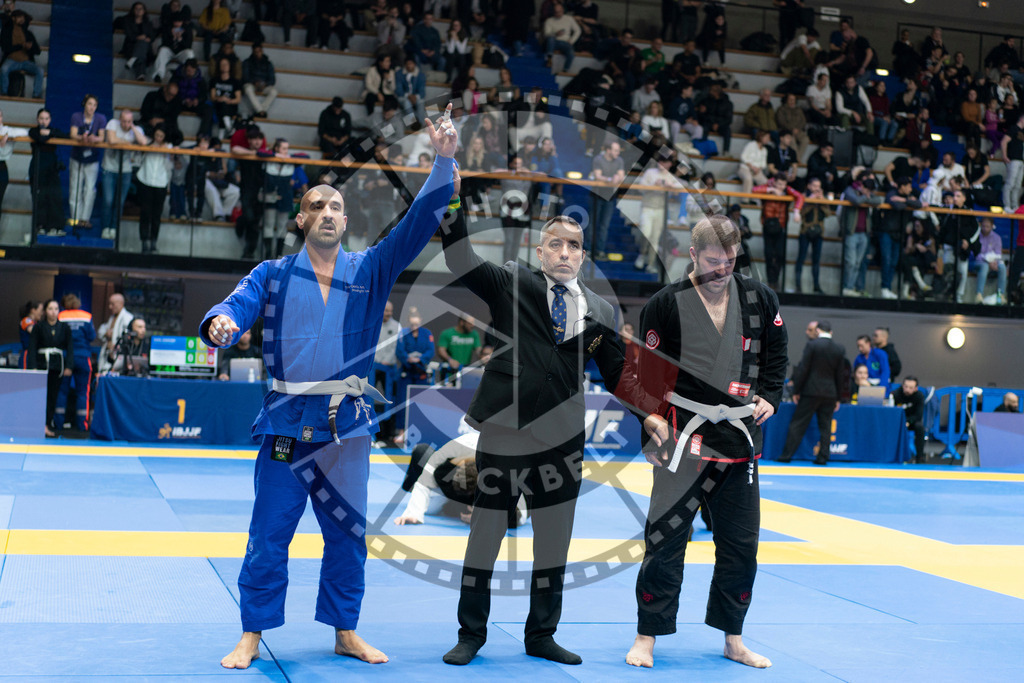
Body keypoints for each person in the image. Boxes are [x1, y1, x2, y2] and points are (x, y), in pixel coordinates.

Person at [203, 105, 457, 670]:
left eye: (335, 205)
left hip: (347, 429)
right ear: (300, 220)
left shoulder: (370, 270)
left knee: (347, 540)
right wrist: (223, 323)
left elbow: (418, 223)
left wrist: (444, 161)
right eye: (315, 205)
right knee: (269, 534)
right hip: (288, 423)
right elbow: (236, 306)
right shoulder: (270, 274)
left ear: (345, 220)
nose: (326, 212)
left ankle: (345, 630)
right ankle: (252, 633)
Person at [439, 200, 665, 667]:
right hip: (504, 430)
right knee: (485, 534)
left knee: (553, 541)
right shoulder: (511, 282)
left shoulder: (601, 308)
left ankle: (541, 633)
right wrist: (453, 197)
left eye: (574, 247)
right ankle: (471, 634)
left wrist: (648, 413)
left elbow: (619, 374)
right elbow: (459, 256)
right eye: (556, 244)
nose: (565, 253)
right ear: (540, 251)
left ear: (583, 256)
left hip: (562, 439)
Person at [625, 214, 787, 670]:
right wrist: (651, 419)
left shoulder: (759, 297)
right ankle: (647, 637)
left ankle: (733, 637)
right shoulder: (665, 303)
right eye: (713, 261)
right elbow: (644, 374)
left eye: (730, 261)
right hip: (683, 437)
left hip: (739, 437)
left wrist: (771, 397)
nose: (722, 270)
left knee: (741, 545)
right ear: (692, 255)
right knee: (666, 540)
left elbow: (777, 356)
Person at [778, 320, 844, 465]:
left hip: (811, 391)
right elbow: (841, 375)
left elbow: (803, 369)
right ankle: (823, 457)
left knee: (798, 424)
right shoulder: (839, 348)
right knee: (826, 426)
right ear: (830, 332)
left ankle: (786, 456)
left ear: (818, 331)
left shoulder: (812, 345)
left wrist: (796, 390)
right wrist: (839, 397)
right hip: (830, 393)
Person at [28, 300, 73, 438]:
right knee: (39, 396)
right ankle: (37, 425)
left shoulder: (64, 328)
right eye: (50, 308)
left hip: (57, 366)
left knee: (52, 397)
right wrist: (33, 367)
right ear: (45, 311)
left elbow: (70, 348)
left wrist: (69, 366)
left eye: (56, 308)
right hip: (42, 364)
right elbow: (32, 347)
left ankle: (47, 424)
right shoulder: (39, 327)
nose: (53, 311)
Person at [101, 110, 149, 240]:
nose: (126, 124)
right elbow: (111, 139)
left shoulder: (136, 129)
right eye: (124, 121)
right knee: (108, 200)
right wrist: (128, 143)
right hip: (109, 169)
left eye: (129, 121)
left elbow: (143, 142)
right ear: (119, 119)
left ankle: (114, 228)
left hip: (126, 171)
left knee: (119, 202)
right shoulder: (112, 123)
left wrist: (133, 127)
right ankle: (105, 227)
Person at [752, 174, 803, 292]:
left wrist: (796, 211)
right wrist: (771, 190)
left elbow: (799, 196)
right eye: (779, 184)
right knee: (769, 255)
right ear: (774, 182)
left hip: (781, 226)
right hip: (767, 225)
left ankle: (776, 280)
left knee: (780, 255)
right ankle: (770, 282)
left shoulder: (787, 190)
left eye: (783, 184)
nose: (781, 187)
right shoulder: (768, 186)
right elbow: (754, 190)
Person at [839, 171, 882, 297]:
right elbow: (856, 201)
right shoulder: (850, 190)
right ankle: (846, 287)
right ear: (862, 185)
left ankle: (851, 287)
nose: (869, 192)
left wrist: (866, 197)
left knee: (858, 262)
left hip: (864, 233)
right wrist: (866, 197)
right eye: (866, 189)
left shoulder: (868, 193)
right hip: (851, 232)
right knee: (850, 262)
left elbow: (878, 200)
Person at [68, 95, 107, 227]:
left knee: (90, 189)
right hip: (77, 157)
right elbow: (72, 134)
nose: (92, 107)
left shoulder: (101, 118)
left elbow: (101, 137)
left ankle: (85, 219)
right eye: (89, 104)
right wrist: (81, 137)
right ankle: (75, 218)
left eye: (94, 105)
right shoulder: (76, 116)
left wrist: (94, 139)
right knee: (75, 188)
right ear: (85, 104)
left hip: (92, 158)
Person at [28, 108, 67, 236]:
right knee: (39, 197)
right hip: (37, 167)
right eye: (41, 119)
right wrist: (47, 134)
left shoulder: (54, 130)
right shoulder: (33, 131)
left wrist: (49, 133)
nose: (44, 121)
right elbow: (39, 138)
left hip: (51, 168)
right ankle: (40, 226)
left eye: (46, 119)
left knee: (54, 196)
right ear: (37, 119)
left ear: (50, 120)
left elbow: (64, 135)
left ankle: (55, 226)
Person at [588, 140, 625, 259]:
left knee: (605, 225)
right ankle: (588, 250)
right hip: (597, 194)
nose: (618, 152)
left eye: (618, 150)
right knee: (592, 222)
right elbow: (598, 176)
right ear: (608, 150)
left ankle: (600, 251)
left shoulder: (619, 160)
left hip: (610, 196)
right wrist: (610, 179)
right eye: (615, 150)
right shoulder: (598, 159)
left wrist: (616, 178)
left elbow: (621, 176)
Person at [795, 177, 832, 294]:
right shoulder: (803, 197)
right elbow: (801, 212)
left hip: (819, 232)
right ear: (809, 186)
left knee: (816, 260)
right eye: (815, 186)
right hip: (805, 231)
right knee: (801, 258)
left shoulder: (822, 198)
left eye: (818, 186)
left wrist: (822, 202)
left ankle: (816, 286)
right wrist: (810, 201)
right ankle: (798, 286)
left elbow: (828, 214)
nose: (817, 189)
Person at [0, 9, 42, 98]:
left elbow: (37, 51)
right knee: (3, 69)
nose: (22, 19)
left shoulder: (28, 34)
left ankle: (36, 94)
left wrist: (30, 48)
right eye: (19, 17)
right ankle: (4, 92)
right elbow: (5, 48)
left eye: (23, 17)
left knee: (40, 71)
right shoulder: (6, 32)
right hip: (12, 59)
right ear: (13, 18)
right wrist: (21, 46)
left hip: (26, 61)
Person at [96, 293, 134, 376]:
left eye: (112, 304)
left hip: (118, 356)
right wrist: (106, 333)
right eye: (109, 304)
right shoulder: (112, 318)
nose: (110, 307)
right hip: (108, 355)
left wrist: (116, 346)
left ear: (120, 303)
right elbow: (101, 330)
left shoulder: (128, 318)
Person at [971, 217, 1007, 304]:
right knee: (984, 266)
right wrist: (988, 261)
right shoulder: (976, 235)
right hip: (976, 263)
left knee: (1002, 267)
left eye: (987, 226)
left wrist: (993, 262)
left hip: (993, 263)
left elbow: (998, 255)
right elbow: (974, 254)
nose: (985, 228)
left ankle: (1000, 295)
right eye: (983, 226)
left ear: (992, 226)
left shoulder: (997, 238)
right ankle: (979, 295)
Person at [435, 314, 480, 381]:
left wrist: (484, 356)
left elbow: (478, 350)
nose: (473, 325)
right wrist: (450, 359)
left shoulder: (474, 334)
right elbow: (441, 350)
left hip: (465, 371)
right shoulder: (447, 333)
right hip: (450, 370)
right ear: (462, 322)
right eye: (470, 323)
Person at [891, 376, 926, 463]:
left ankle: (920, 456)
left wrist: (908, 422)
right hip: (898, 422)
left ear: (915, 388)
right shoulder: (896, 394)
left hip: (912, 421)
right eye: (905, 386)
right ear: (902, 386)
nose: (907, 389)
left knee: (920, 427)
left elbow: (918, 415)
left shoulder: (919, 396)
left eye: (910, 387)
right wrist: (902, 422)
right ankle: (892, 455)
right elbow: (892, 412)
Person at [121, 2, 156, 81]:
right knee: (141, 53)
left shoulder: (148, 23)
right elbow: (129, 35)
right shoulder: (128, 22)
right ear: (133, 10)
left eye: (140, 9)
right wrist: (138, 37)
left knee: (143, 44)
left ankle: (133, 59)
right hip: (131, 46)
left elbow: (152, 36)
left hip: (145, 48)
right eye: (136, 9)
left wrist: (148, 39)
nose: (138, 11)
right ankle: (140, 74)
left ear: (144, 11)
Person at [542, 2, 580, 73]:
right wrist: (556, 34)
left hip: (566, 42)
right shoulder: (549, 20)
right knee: (551, 38)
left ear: (563, 10)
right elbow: (546, 34)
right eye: (556, 12)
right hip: (554, 42)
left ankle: (565, 70)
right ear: (553, 12)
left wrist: (572, 41)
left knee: (571, 53)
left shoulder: (569, 19)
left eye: (559, 12)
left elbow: (578, 30)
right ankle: (549, 59)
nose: (558, 14)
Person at [242, 43, 277, 119]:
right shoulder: (247, 62)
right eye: (256, 51)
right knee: (247, 88)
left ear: (262, 51)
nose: (258, 53)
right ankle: (260, 111)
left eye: (259, 51)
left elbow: (272, 80)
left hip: (264, 85)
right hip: (252, 84)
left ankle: (260, 110)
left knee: (273, 91)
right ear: (253, 52)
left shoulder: (268, 63)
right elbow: (245, 77)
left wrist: (265, 84)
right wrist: (254, 83)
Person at [19, 300, 42, 369]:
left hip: (35, 354)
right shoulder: (26, 320)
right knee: (26, 377)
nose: (42, 313)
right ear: (33, 310)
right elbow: (33, 331)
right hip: (27, 354)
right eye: (40, 310)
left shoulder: (36, 323)